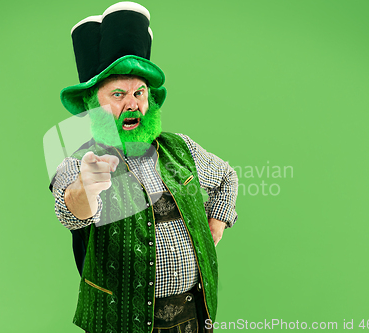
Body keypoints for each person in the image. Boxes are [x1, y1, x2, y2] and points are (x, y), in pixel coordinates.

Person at [49, 3, 238, 332]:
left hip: (193, 316)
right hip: (123, 323)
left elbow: (226, 177)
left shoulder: (181, 147)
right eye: (118, 94)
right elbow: (70, 211)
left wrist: (219, 219)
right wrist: (87, 187)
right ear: (93, 105)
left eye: (140, 92)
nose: (132, 103)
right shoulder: (76, 159)